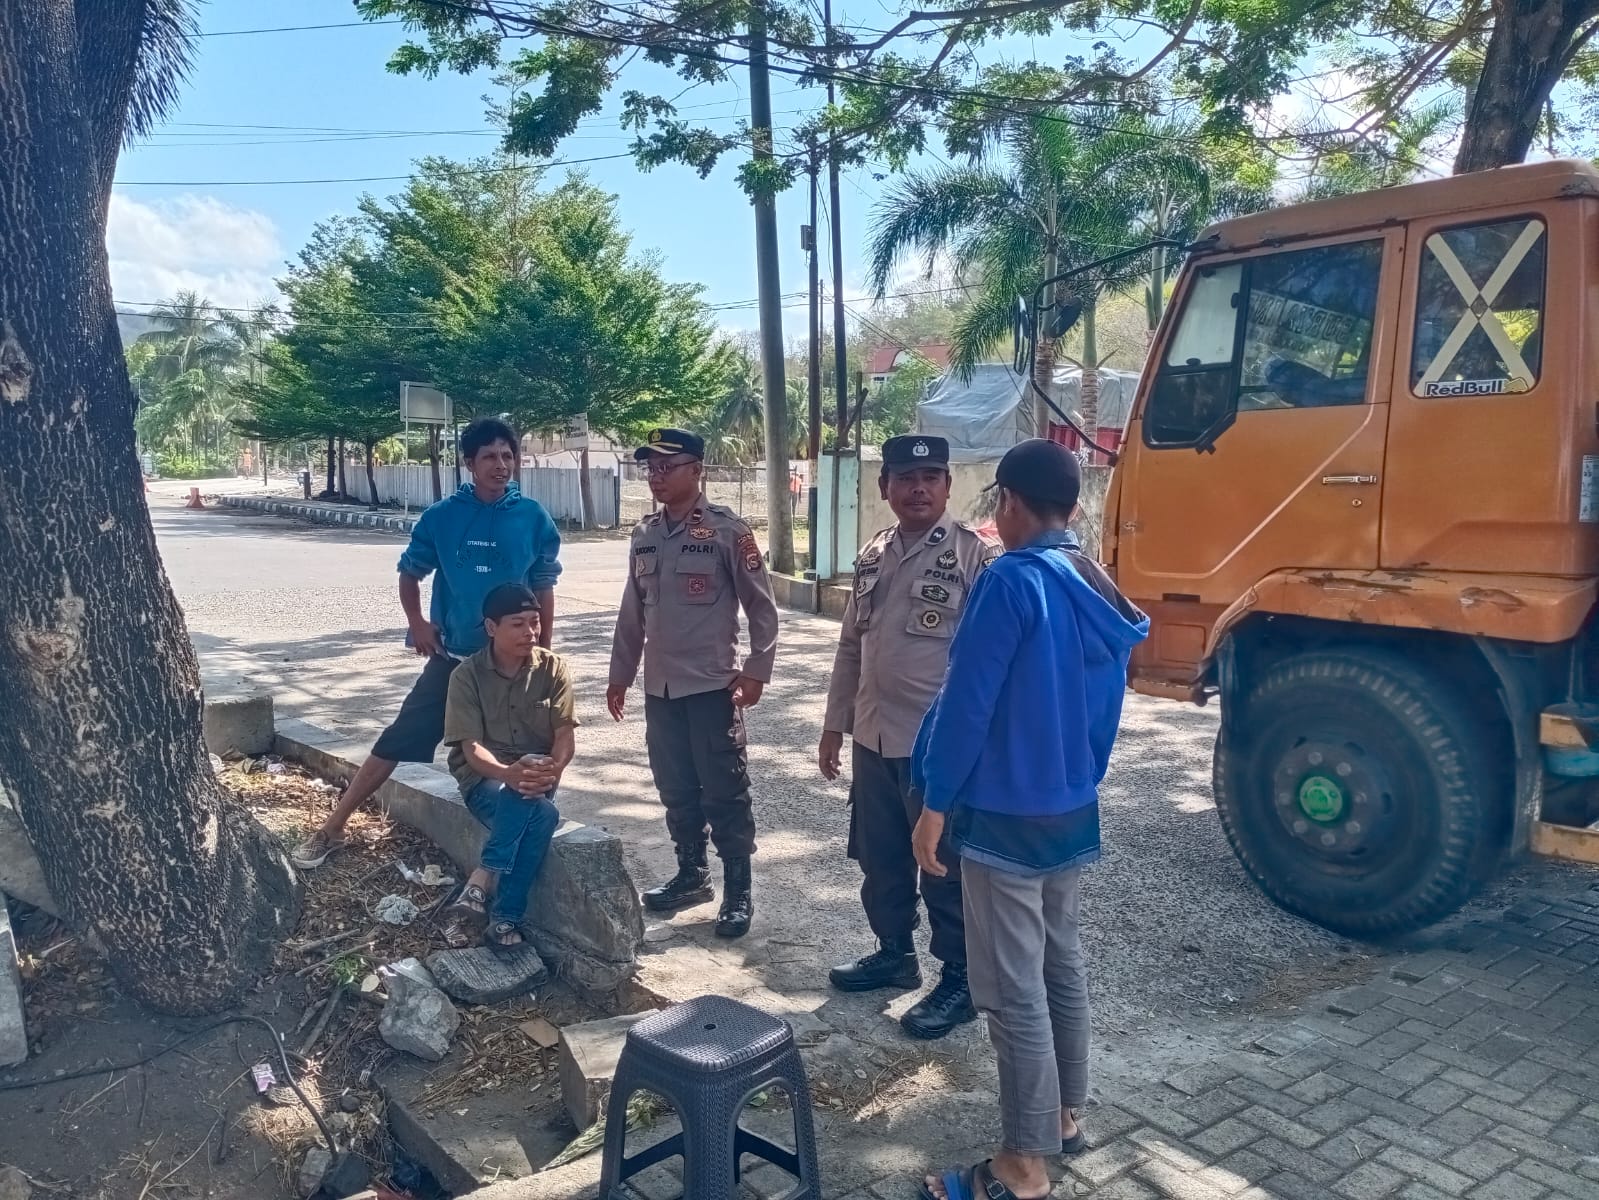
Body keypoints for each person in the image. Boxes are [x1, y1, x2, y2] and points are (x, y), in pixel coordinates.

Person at [909, 439, 1148, 1200]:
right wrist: (1080, 774)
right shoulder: (1091, 577)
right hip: (1070, 807)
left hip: (1006, 814)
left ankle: (1021, 1166)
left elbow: (966, 703)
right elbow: (1109, 702)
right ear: (1070, 507)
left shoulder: (1010, 580)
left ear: (1007, 501)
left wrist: (934, 802)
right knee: (1060, 967)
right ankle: (1064, 1116)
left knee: (1012, 989)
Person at [292, 418, 562, 870]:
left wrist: (544, 648)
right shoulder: (442, 517)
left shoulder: (533, 518)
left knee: (531, 748)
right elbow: (410, 572)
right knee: (398, 738)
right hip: (455, 661)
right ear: (470, 463)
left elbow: (543, 586)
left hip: (516, 665)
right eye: (490, 457)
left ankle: (514, 848)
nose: (501, 465)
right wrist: (416, 622)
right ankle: (333, 827)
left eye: (508, 456)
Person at [819, 435, 1001, 1040]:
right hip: (873, 736)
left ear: (949, 486)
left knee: (942, 865)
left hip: (937, 752)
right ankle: (893, 953)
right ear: (885, 488)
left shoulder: (975, 559)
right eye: (905, 478)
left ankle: (959, 979)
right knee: (880, 857)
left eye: (930, 477)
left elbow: (991, 666)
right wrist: (833, 726)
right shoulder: (873, 554)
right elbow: (852, 646)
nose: (917, 488)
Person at [607, 428, 780, 938]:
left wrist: (756, 669)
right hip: (660, 691)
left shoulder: (729, 532)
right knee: (676, 788)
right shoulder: (644, 535)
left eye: (667, 466)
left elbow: (762, 609)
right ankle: (691, 875)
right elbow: (631, 614)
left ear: (696, 469)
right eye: (650, 468)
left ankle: (738, 891)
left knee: (725, 791)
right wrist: (621, 676)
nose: (657, 476)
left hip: (711, 689)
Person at [437, 584, 571, 951]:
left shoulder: (553, 669)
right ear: (492, 627)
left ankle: (480, 884)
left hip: (538, 779)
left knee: (534, 800)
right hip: (485, 781)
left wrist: (553, 770)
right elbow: (473, 749)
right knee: (542, 815)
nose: (531, 632)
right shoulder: (466, 676)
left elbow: (564, 739)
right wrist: (509, 774)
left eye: (535, 622)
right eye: (518, 624)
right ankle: (505, 917)